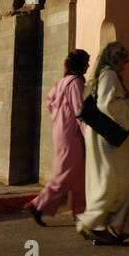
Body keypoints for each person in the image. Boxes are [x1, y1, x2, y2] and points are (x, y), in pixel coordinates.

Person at [76, 41, 129, 245]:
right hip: (109, 138)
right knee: (117, 182)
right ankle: (94, 224)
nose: (123, 66)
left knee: (109, 180)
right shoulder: (108, 75)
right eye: (121, 61)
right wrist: (128, 102)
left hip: (101, 136)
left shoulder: (100, 76)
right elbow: (107, 104)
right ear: (114, 59)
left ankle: (106, 228)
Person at [24, 49, 90, 227]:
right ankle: (38, 205)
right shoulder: (76, 82)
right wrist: (88, 135)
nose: (88, 66)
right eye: (86, 63)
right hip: (71, 133)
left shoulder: (62, 82)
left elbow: (49, 101)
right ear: (81, 65)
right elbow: (80, 111)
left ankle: (81, 213)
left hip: (60, 130)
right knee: (67, 173)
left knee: (78, 174)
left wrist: (59, 116)